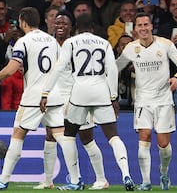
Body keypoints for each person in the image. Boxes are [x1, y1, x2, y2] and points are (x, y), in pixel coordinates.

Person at [0, 7, 82, 190]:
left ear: (22, 21)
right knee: (63, 137)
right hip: (54, 94)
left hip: (34, 97)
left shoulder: (23, 41)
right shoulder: (52, 41)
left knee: (18, 135)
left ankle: (2, 180)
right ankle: (76, 180)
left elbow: (12, 68)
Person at [41, 13, 135, 191]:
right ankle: (126, 174)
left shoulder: (71, 43)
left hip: (80, 92)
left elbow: (59, 68)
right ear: (92, 27)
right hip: (101, 92)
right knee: (113, 136)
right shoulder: (104, 43)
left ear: (76, 27)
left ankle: (75, 181)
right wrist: (113, 97)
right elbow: (113, 70)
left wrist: (45, 93)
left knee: (68, 135)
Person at [34, 10, 109, 191]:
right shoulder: (48, 45)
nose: (60, 26)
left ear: (71, 27)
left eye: (64, 23)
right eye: (57, 23)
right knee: (50, 135)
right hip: (55, 97)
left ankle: (101, 179)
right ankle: (49, 180)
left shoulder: (76, 45)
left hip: (76, 98)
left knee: (86, 139)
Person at [116, 12, 177, 191]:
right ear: (135, 29)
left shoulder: (165, 44)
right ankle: (146, 182)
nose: (143, 28)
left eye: (145, 25)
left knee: (163, 145)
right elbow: (115, 67)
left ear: (151, 26)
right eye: (139, 25)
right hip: (142, 101)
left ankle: (164, 172)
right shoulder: (131, 48)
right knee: (144, 137)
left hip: (163, 100)